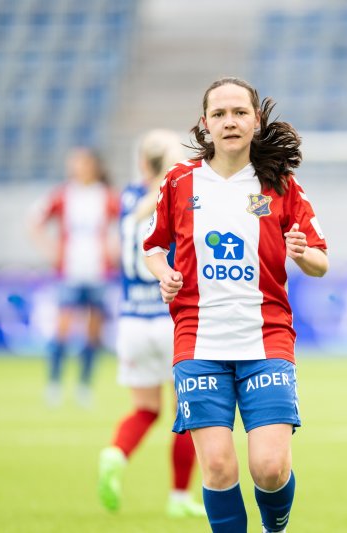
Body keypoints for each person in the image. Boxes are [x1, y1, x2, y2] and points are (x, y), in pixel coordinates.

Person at [143, 77, 329, 533]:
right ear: (205, 123)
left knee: (268, 467)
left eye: (239, 113)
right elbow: (150, 246)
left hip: (265, 339)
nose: (230, 122)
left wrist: (303, 253)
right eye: (220, 114)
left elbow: (321, 262)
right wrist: (163, 272)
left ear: (256, 120)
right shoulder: (179, 182)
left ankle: (274, 527)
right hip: (198, 341)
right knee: (220, 469)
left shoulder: (282, 185)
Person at [97, 130, 206, 518]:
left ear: (142, 163)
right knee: (189, 412)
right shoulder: (177, 197)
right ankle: (178, 498)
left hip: (131, 323)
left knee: (145, 410)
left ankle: (115, 453)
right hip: (170, 318)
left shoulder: (127, 199)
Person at [29, 147, 120, 407]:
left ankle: (84, 386)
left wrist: (113, 247)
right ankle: (54, 383)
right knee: (63, 329)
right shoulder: (62, 195)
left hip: (98, 272)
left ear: (94, 166)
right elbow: (34, 220)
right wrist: (49, 248)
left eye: (81, 163)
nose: (76, 167)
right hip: (69, 271)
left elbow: (128, 222)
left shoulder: (106, 196)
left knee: (93, 332)